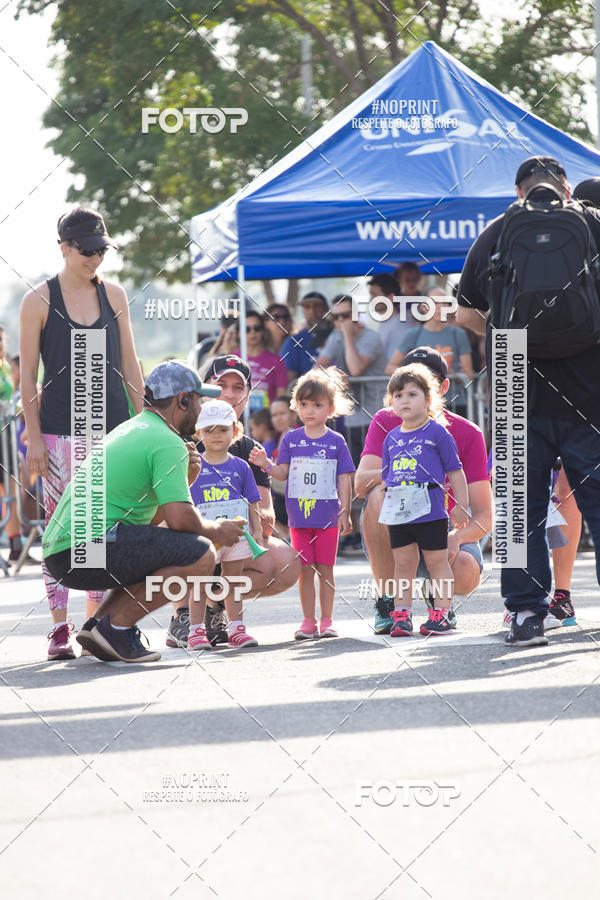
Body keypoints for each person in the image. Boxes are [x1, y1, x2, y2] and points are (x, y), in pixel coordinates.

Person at [456, 155, 600, 647]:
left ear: (520, 191)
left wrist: (505, 327)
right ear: (562, 186)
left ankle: (525, 614)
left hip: (518, 381)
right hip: (590, 384)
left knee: (521, 510)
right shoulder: (592, 222)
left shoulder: (499, 229)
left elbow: (466, 313)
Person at [41, 360, 245, 663]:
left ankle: (99, 626)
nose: (201, 408)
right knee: (201, 553)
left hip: (62, 553)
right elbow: (181, 522)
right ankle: (117, 627)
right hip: (88, 547)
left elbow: (144, 525)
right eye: (199, 399)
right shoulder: (166, 441)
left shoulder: (132, 428)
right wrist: (219, 531)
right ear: (183, 400)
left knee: (163, 549)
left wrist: (185, 480)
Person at [19, 208, 145, 659]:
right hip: (58, 433)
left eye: (101, 251)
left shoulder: (114, 295)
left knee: (101, 530)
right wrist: (33, 438)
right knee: (61, 530)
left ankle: (94, 622)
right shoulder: (38, 300)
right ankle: (58, 626)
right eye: (88, 251)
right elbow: (28, 379)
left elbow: (131, 364)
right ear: (65, 248)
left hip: (110, 432)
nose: (96, 259)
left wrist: (144, 419)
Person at [164, 355, 301, 648]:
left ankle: (216, 610)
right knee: (172, 535)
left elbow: (264, 509)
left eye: (238, 387)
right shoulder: (180, 441)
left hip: (231, 537)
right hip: (190, 538)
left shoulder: (248, 451)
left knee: (285, 561)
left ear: (247, 395)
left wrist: (256, 521)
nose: (229, 392)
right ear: (205, 389)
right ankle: (183, 615)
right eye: (221, 384)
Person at [355, 347, 492, 633]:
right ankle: (390, 604)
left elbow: (484, 514)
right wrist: (402, 477)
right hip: (401, 521)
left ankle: (440, 607)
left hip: (440, 522)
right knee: (380, 497)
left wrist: (457, 536)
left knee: (463, 568)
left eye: (417, 386)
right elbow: (360, 484)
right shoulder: (387, 423)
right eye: (401, 387)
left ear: (439, 389)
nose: (406, 396)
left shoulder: (461, 432)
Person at [249, 368, 354, 639]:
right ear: (296, 406)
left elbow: (344, 477)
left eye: (317, 405)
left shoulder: (336, 441)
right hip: (299, 518)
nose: (309, 411)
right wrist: (266, 465)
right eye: (304, 404)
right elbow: (282, 473)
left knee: (326, 569)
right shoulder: (291, 439)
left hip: (328, 515)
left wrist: (346, 511)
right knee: (304, 570)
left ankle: (327, 620)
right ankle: (308, 621)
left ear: (330, 408)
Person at [380, 364, 468, 636]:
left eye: (411, 394)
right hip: (400, 510)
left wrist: (461, 506)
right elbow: (387, 476)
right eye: (398, 396)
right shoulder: (391, 438)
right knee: (403, 564)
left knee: (436, 563)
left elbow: (455, 470)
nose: (404, 400)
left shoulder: (437, 432)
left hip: (430, 509)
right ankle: (402, 615)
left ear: (428, 400)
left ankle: (441, 613)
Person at [186, 400, 263, 650]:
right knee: (200, 581)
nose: (216, 435)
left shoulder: (241, 466)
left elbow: (253, 503)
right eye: (209, 430)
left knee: (234, 581)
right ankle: (196, 631)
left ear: (236, 431)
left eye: (222, 429)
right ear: (199, 434)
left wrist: (258, 532)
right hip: (205, 537)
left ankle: (237, 629)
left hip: (237, 537)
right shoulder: (194, 466)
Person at [315, 294, 386, 465]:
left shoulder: (371, 337)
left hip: (376, 414)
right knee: (356, 469)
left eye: (345, 316)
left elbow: (355, 368)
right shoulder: (335, 336)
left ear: (355, 315)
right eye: (335, 317)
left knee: (378, 469)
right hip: (353, 415)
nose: (340, 321)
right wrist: (335, 377)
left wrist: (347, 334)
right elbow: (317, 368)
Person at [385, 287, 474, 415]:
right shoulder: (413, 334)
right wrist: (415, 375)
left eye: (444, 303)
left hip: (455, 404)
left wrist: (449, 373)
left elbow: (469, 375)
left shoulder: (458, 334)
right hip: (422, 405)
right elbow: (389, 368)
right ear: (424, 307)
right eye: (435, 302)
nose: (440, 307)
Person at [210, 311, 288, 411]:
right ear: (239, 333)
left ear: (263, 331)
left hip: (266, 420)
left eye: (257, 328)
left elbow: (280, 398)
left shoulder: (276, 361)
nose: (252, 332)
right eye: (247, 329)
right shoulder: (231, 359)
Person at [280, 292, 333, 382]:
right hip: (307, 394)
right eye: (307, 307)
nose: (312, 311)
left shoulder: (338, 336)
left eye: (317, 306)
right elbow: (289, 380)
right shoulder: (293, 341)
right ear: (303, 311)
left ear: (326, 309)